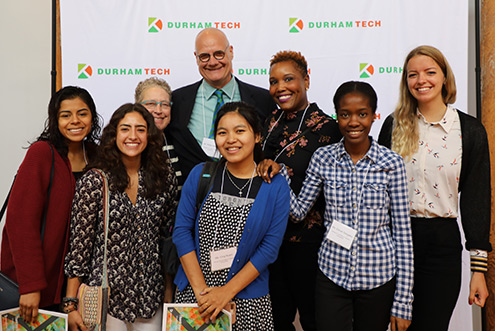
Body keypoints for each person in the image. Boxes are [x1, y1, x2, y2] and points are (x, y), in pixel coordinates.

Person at [260, 81, 414, 331]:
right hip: (332, 276)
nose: (354, 122)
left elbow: (403, 236)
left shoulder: (391, 163)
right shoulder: (323, 157)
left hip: (379, 278)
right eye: (345, 114)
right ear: (337, 117)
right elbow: (298, 212)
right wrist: (281, 176)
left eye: (362, 114)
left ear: (374, 115)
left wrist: (403, 303)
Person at [378, 45, 491, 331]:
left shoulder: (469, 130)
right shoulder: (393, 125)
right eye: (412, 74)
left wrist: (479, 272)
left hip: (443, 244)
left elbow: (476, 201)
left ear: (444, 77)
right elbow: (377, 191)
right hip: (396, 240)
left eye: (430, 72)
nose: (421, 80)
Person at [173, 102, 290, 330]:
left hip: (248, 301)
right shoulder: (201, 174)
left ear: (257, 136)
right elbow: (181, 232)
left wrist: (226, 293)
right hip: (196, 295)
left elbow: (269, 248)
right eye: (222, 132)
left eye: (240, 131)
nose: (230, 139)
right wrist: (204, 295)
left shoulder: (275, 185)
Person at [64, 103, 178, 331]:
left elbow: (167, 240)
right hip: (105, 299)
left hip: (150, 298)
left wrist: (168, 291)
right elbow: (79, 248)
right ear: (114, 134)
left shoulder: (163, 179)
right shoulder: (95, 181)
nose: (132, 136)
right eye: (125, 129)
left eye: (140, 129)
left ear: (150, 136)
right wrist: (70, 304)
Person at [1, 86, 101, 322]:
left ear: (93, 117)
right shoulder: (42, 154)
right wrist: (30, 285)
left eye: (82, 113)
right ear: (55, 120)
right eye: (65, 115)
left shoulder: (97, 156)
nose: (74, 121)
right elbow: (20, 223)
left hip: (79, 284)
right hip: (39, 282)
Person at [261, 50, 341, 331]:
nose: (280, 88)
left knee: (314, 319)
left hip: (308, 242)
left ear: (306, 80)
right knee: (276, 320)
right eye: (273, 81)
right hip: (269, 240)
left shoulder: (329, 128)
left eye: (288, 79)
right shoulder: (268, 121)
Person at [168, 27, 276, 180]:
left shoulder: (263, 99)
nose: (212, 62)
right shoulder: (177, 100)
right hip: (194, 193)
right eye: (204, 56)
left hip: (248, 191)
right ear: (196, 58)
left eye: (219, 54)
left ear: (231, 52)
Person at [135, 77, 184, 191]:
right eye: (151, 104)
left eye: (165, 104)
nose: (158, 110)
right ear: (137, 106)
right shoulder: (130, 144)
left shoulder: (178, 142)